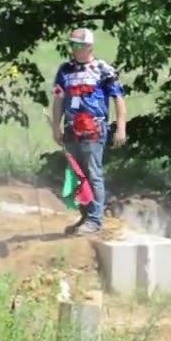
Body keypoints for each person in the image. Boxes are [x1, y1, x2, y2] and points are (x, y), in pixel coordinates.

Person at [49, 28, 127, 236]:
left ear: (89, 46)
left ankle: (95, 219)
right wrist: (56, 127)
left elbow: (118, 98)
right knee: (78, 174)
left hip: (94, 129)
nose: (74, 49)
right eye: (72, 44)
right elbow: (58, 99)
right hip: (71, 129)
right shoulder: (65, 70)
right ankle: (85, 216)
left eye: (78, 45)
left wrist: (121, 127)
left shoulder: (103, 69)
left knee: (93, 173)